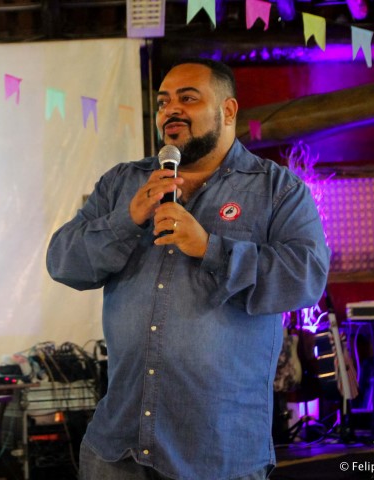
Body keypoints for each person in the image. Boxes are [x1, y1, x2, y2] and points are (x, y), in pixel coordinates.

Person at [46, 59, 331, 480]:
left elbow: (305, 278)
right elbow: (62, 261)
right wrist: (127, 220)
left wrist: (210, 248)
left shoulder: (278, 190)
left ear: (228, 111)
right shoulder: (122, 184)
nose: (171, 110)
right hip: (117, 450)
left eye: (188, 98)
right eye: (163, 102)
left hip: (218, 453)